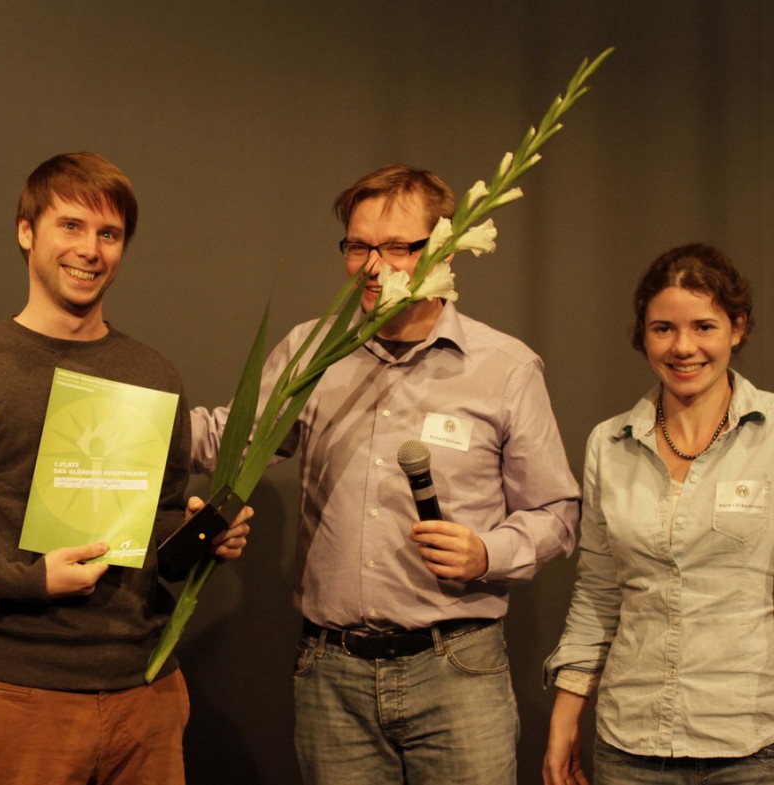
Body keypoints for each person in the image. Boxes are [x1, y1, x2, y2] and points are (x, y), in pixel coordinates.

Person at [192, 164, 580, 785]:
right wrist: (123, 420)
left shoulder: (505, 367)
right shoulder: (310, 350)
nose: (375, 265)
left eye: (398, 246)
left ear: (446, 248)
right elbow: (232, 442)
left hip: (457, 667)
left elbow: (557, 514)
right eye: (358, 246)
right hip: (331, 674)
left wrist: (488, 552)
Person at [0, 151, 252, 785]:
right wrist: (30, 581)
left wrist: (198, 536)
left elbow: (149, 530)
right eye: (72, 226)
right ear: (26, 231)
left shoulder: (153, 373)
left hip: (147, 689)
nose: (91, 249)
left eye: (109, 234)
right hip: (19, 694)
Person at [542, 243, 774, 785]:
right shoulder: (610, 442)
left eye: (704, 326)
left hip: (753, 746)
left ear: (737, 329)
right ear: (643, 334)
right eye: (663, 328)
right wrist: (565, 716)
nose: (683, 347)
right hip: (632, 747)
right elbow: (599, 591)